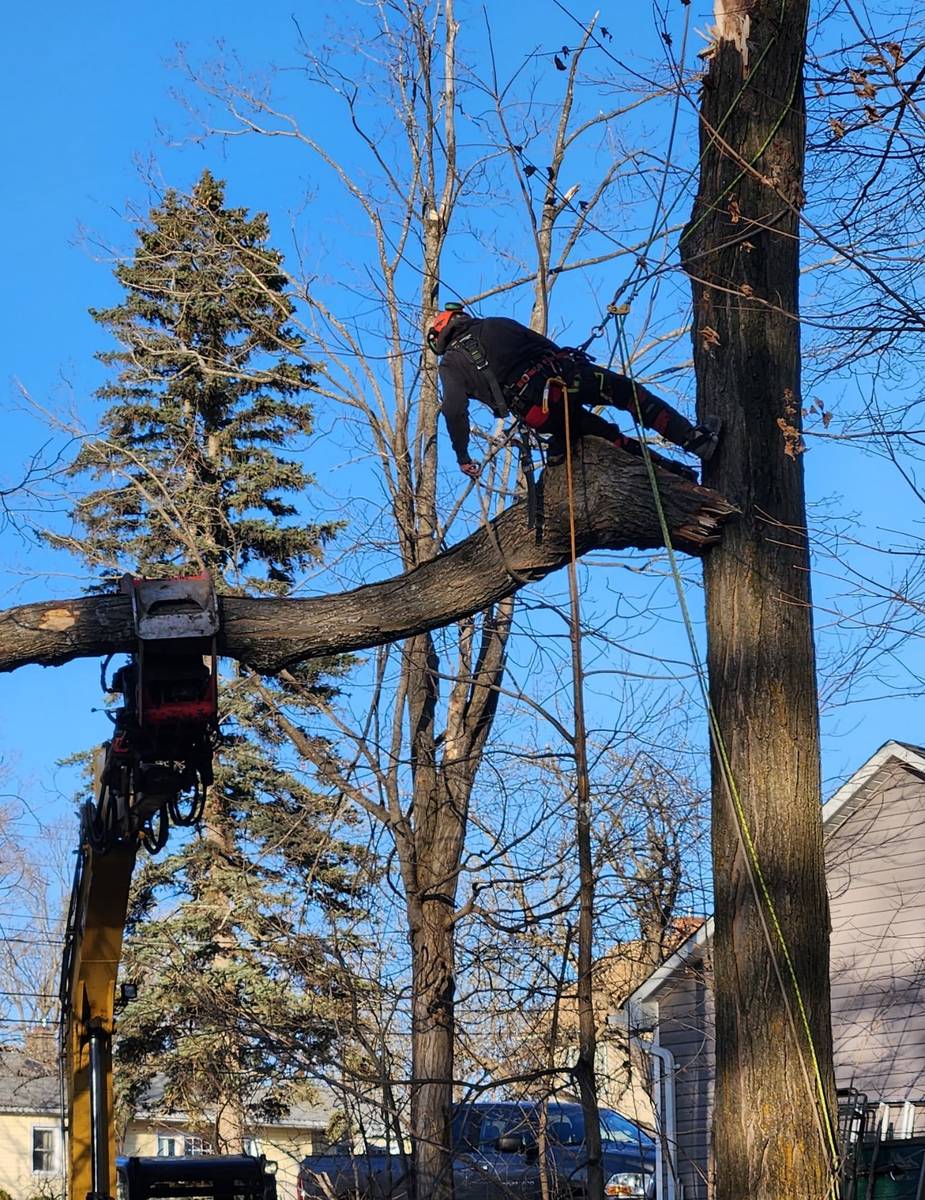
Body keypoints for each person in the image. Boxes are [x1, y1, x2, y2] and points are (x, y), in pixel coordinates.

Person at [427, 305, 720, 479]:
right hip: (565, 377)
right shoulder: (495, 324)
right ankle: (693, 439)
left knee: (608, 440)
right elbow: (544, 344)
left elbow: (454, 410)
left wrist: (463, 456)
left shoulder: (451, 365)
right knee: (627, 394)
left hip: (540, 414)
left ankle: (676, 478)